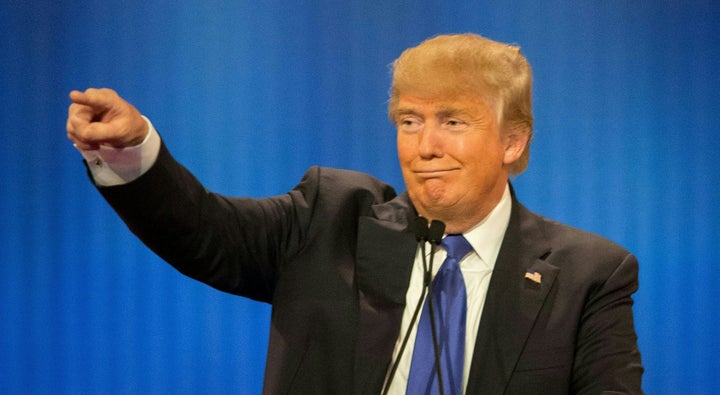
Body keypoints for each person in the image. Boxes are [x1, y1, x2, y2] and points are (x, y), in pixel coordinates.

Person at [66, 33, 643, 394]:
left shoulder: (588, 275)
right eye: (410, 121)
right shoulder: (329, 221)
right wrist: (135, 155)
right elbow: (204, 231)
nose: (425, 146)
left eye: (454, 121)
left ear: (512, 143)